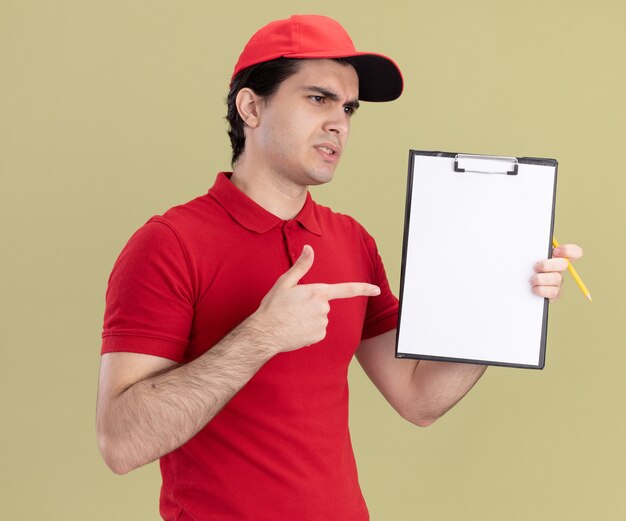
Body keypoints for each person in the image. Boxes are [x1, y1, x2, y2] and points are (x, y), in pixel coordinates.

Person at [96, 14, 583, 521]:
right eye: (318, 98)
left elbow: (418, 398)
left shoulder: (350, 241)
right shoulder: (169, 243)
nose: (340, 123)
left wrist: (507, 297)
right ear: (251, 106)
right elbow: (121, 443)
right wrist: (260, 336)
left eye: (348, 108)